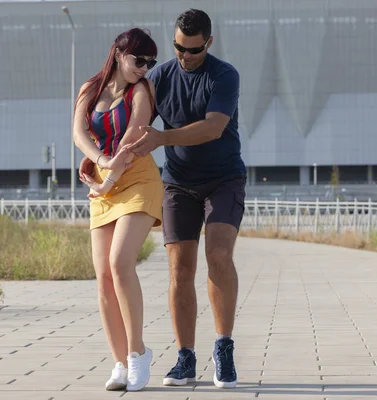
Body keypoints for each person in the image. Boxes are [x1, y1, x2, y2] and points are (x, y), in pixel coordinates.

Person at [127, 9, 247, 389]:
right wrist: (99, 154)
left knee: (219, 255)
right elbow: (136, 122)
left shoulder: (224, 75)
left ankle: (223, 347)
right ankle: (185, 357)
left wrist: (163, 138)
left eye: (192, 50)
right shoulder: (160, 75)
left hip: (224, 179)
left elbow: (213, 128)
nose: (184, 56)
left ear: (208, 43)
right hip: (178, 183)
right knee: (180, 268)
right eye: (178, 47)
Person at [72, 27, 163, 392]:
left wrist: (106, 177)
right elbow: (78, 132)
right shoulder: (89, 89)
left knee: (119, 263)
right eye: (139, 60)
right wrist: (97, 161)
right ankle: (120, 363)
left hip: (137, 179)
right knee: (103, 280)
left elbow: (131, 142)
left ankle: (139, 353)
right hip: (103, 179)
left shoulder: (141, 92)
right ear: (118, 54)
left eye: (150, 62)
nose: (144, 67)